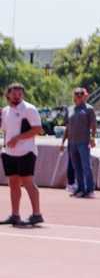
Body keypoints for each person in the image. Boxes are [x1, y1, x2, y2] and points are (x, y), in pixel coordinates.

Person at [1, 83, 45, 227]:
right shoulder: (5, 111)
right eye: (14, 94)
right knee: (13, 183)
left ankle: (37, 214)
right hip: (9, 153)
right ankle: (15, 215)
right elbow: (5, 129)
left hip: (27, 151)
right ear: (8, 94)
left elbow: (38, 129)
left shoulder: (29, 109)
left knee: (27, 182)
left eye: (20, 94)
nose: (17, 96)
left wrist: (18, 138)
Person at [62, 87, 96, 199]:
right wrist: (63, 142)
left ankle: (90, 189)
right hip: (72, 142)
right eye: (76, 94)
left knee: (86, 166)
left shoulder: (89, 109)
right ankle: (80, 188)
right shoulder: (70, 109)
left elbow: (93, 125)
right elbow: (67, 127)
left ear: (84, 96)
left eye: (81, 94)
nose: (78, 96)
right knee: (76, 167)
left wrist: (92, 137)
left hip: (83, 141)